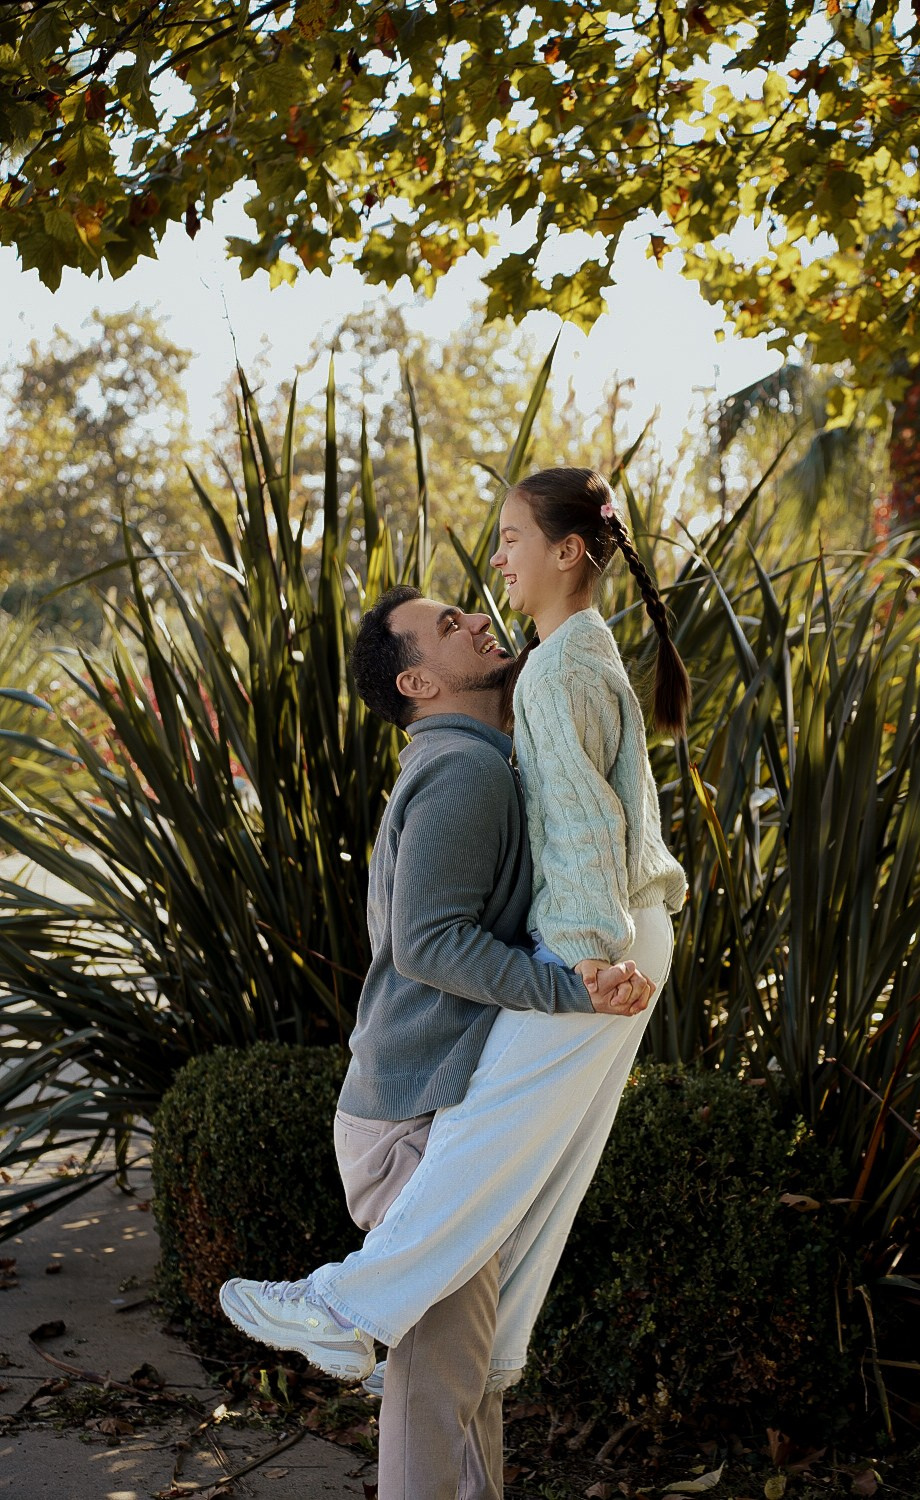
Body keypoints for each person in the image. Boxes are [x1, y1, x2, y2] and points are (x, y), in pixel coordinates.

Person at [220, 582, 653, 1500]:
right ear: (417, 679)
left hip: (414, 1104)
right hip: (415, 1116)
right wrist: (561, 990)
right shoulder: (463, 770)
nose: (472, 617)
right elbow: (428, 942)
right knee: (442, 1377)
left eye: (463, 607)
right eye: (445, 626)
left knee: (468, 1368)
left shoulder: (480, 760)